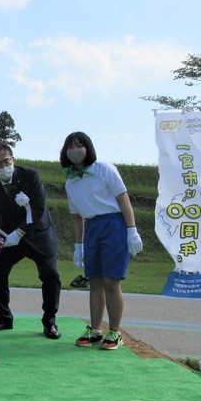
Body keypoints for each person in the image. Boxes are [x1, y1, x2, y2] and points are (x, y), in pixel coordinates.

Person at [60, 131, 143, 350]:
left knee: (111, 281)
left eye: (79, 145)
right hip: (92, 227)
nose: (75, 150)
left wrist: (131, 230)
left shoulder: (104, 169)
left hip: (114, 224)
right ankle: (95, 329)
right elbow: (76, 216)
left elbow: (123, 199)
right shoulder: (71, 182)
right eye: (70, 147)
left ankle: (115, 331)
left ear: (88, 148)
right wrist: (78, 246)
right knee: (94, 280)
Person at [0, 140, 62, 339]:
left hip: (39, 233)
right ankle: (3, 318)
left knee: (50, 274)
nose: (3, 166)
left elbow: (39, 208)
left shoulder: (31, 176)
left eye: (6, 161)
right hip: (7, 237)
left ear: (13, 159)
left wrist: (21, 232)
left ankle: (49, 322)